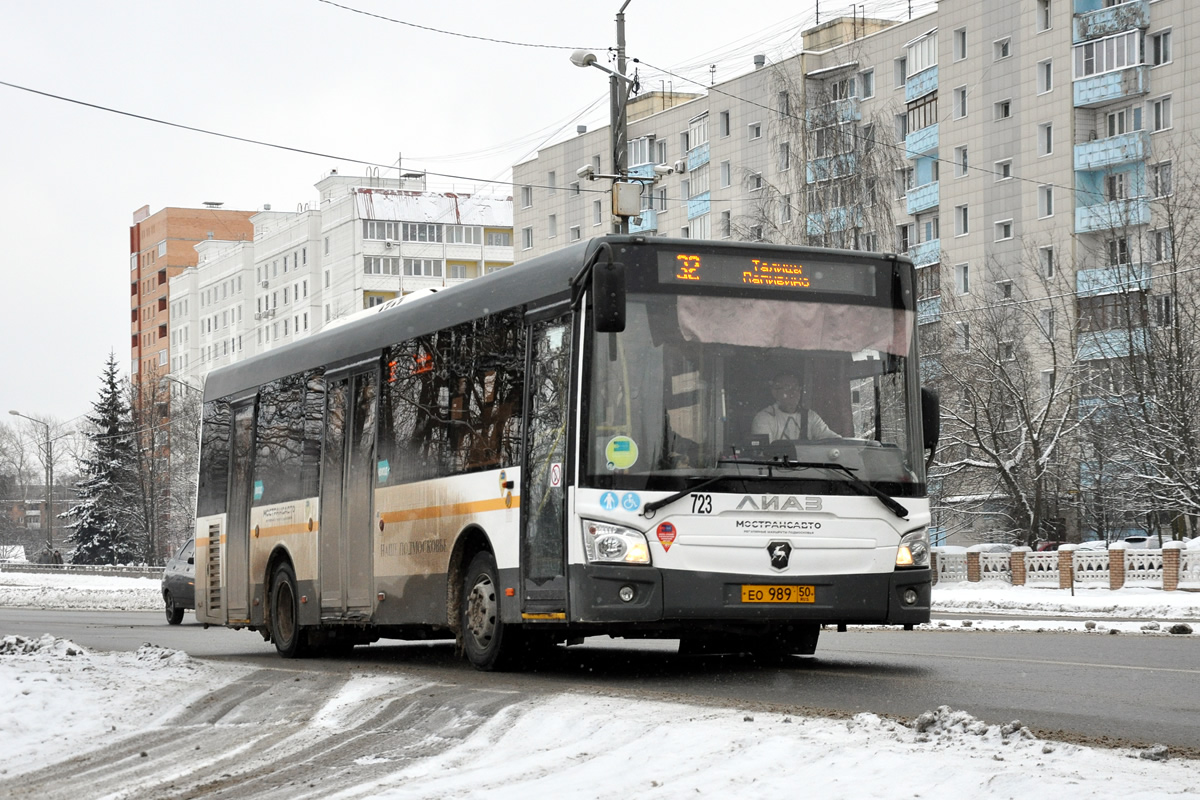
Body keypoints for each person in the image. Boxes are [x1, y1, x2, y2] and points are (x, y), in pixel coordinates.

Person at [751, 372, 837, 442]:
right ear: (775, 392)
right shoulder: (764, 418)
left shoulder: (810, 416)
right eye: (787, 388)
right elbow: (765, 452)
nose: (793, 393)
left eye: (796, 388)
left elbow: (832, 439)